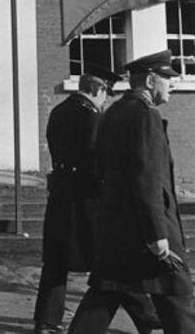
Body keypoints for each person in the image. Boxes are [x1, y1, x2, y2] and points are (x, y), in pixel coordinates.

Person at [68, 49, 195, 334]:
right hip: (147, 228)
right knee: (177, 295)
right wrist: (157, 234)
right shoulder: (144, 115)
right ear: (150, 81)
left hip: (118, 226)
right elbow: (146, 178)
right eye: (167, 78)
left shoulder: (114, 111)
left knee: (106, 293)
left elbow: (103, 169)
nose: (172, 84)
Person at [33, 67, 159, 334]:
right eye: (106, 94)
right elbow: (96, 159)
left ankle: (46, 320)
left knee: (56, 261)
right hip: (88, 199)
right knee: (110, 260)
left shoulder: (58, 111)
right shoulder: (93, 118)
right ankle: (146, 317)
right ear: (99, 90)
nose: (106, 100)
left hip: (60, 194)